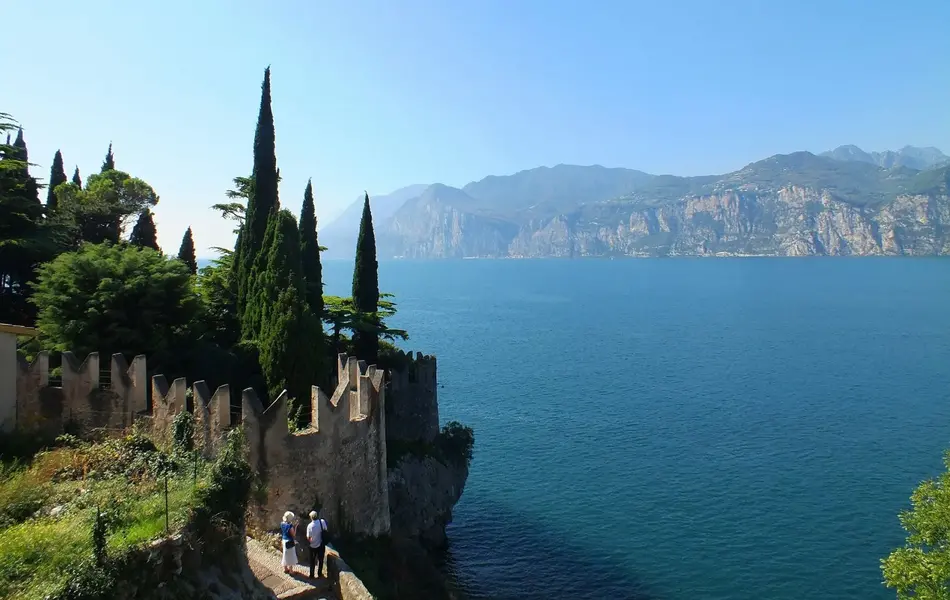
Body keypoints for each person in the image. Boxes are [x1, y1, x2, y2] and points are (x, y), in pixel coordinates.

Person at [306, 510, 329, 579]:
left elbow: (308, 537)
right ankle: (319, 573)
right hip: (321, 544)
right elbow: (326, 529)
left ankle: (312, 575)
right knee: (321, 559)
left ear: (311, 518)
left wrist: (311, 542)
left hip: (313, 546)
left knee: (312, 561)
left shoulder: (309, 526)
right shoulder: (322, 522)